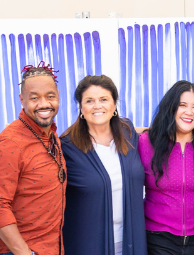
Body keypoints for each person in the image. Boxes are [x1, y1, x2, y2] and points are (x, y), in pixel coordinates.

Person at [0, 61, 67, 255]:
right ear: (22, 99)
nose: (44, 104)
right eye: (34, 98)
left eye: (50, 96)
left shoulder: (52, 137)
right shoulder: (8, 144)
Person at [61, 75, 148, 255]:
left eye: (103, 99)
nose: (97, 106)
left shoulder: (128, 133)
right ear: (81, 107)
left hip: (130, 241)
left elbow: (150, 133)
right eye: (90, 101)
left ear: (114, 105)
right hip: (87, 244)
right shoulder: (67, 147)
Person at [138, 80, 194, 255]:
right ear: (171, 108)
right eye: (182, 105)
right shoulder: (146, 142)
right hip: (157, 237)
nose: (189, 112)